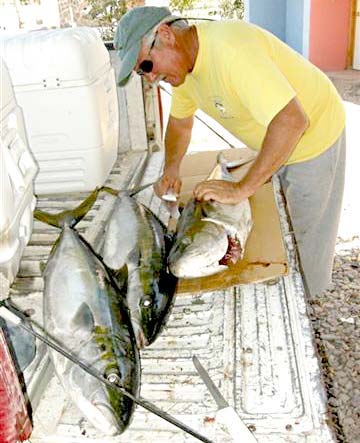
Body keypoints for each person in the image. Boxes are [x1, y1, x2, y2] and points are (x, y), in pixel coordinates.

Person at [114, 6, 346, 298]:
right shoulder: (184, 68)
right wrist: (171, 168)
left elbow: (292, 121)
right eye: (141, 73)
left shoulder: (231, 51)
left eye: (146, 66)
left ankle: (306, 302)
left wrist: (240, 189)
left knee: (303, 238)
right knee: (277, 229)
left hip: (314, 136)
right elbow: (180, 124)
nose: (150, 78)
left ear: (165, 35)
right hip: (274, 138)